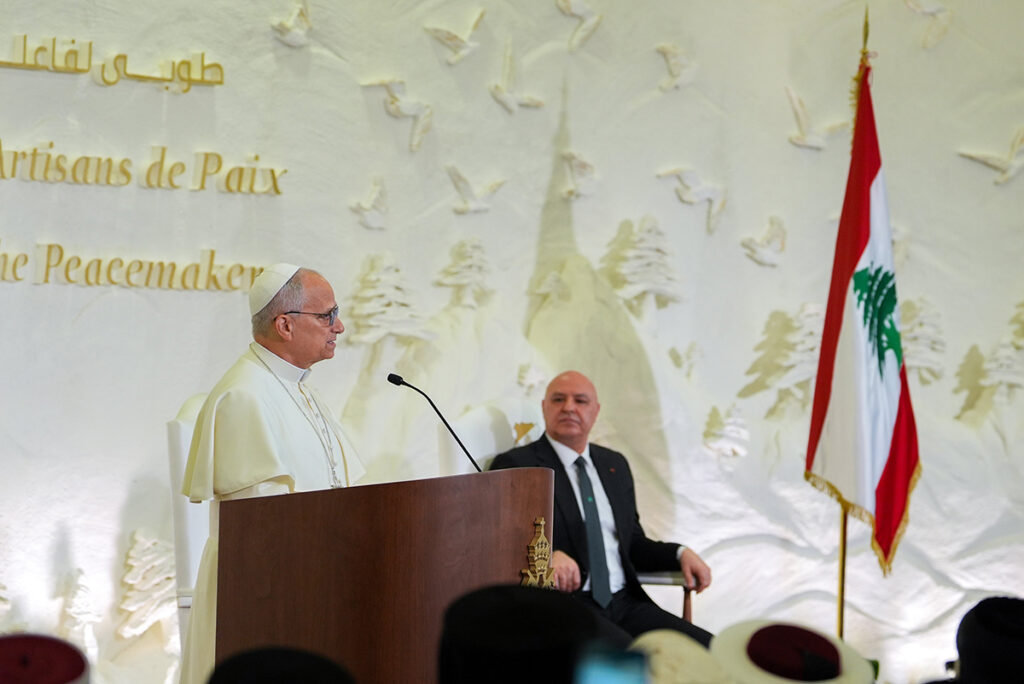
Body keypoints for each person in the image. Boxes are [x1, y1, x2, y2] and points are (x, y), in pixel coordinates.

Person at [179, 263, 365, 684]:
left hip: (315, 581)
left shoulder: (298, 386)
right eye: (327, 315)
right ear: (285, 324)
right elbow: (261, 531)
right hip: (265, 594)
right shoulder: (245, 395)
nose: (339, 326)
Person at [489, 370, 712, 647]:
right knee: (629, 661)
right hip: (567, 606)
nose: (569, 407)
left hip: (627, 603)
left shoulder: (614, 465)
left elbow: (633, 544)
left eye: (580, 401)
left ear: (595, 411)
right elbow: (498, 543)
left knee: (709, 650)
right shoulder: (517, 465)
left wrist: (679, 553)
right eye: (559, 399)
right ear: (545, 407)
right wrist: (545, 556)